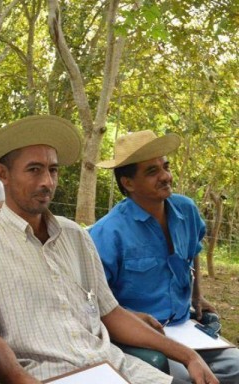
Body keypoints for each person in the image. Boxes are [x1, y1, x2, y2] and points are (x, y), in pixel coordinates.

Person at [0, 115, 218, 384]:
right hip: (45, 376)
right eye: (34, 170)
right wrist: (21, 379)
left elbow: (109, 312)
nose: (47, 182)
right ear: (3, 173)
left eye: (52, 170)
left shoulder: (75, 235)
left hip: (118, 369)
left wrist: (187, 355)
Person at [89, 130, 239, 383]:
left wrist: (197, 296)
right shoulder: (108, 232)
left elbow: (193, 252)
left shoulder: (186, 210)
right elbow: (92, 301)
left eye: (165, 167)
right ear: (128, 183)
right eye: (152, 171)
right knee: (188, 379)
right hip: (140, 337)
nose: (166, 176)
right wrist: (132, 317)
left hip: (186, 329)